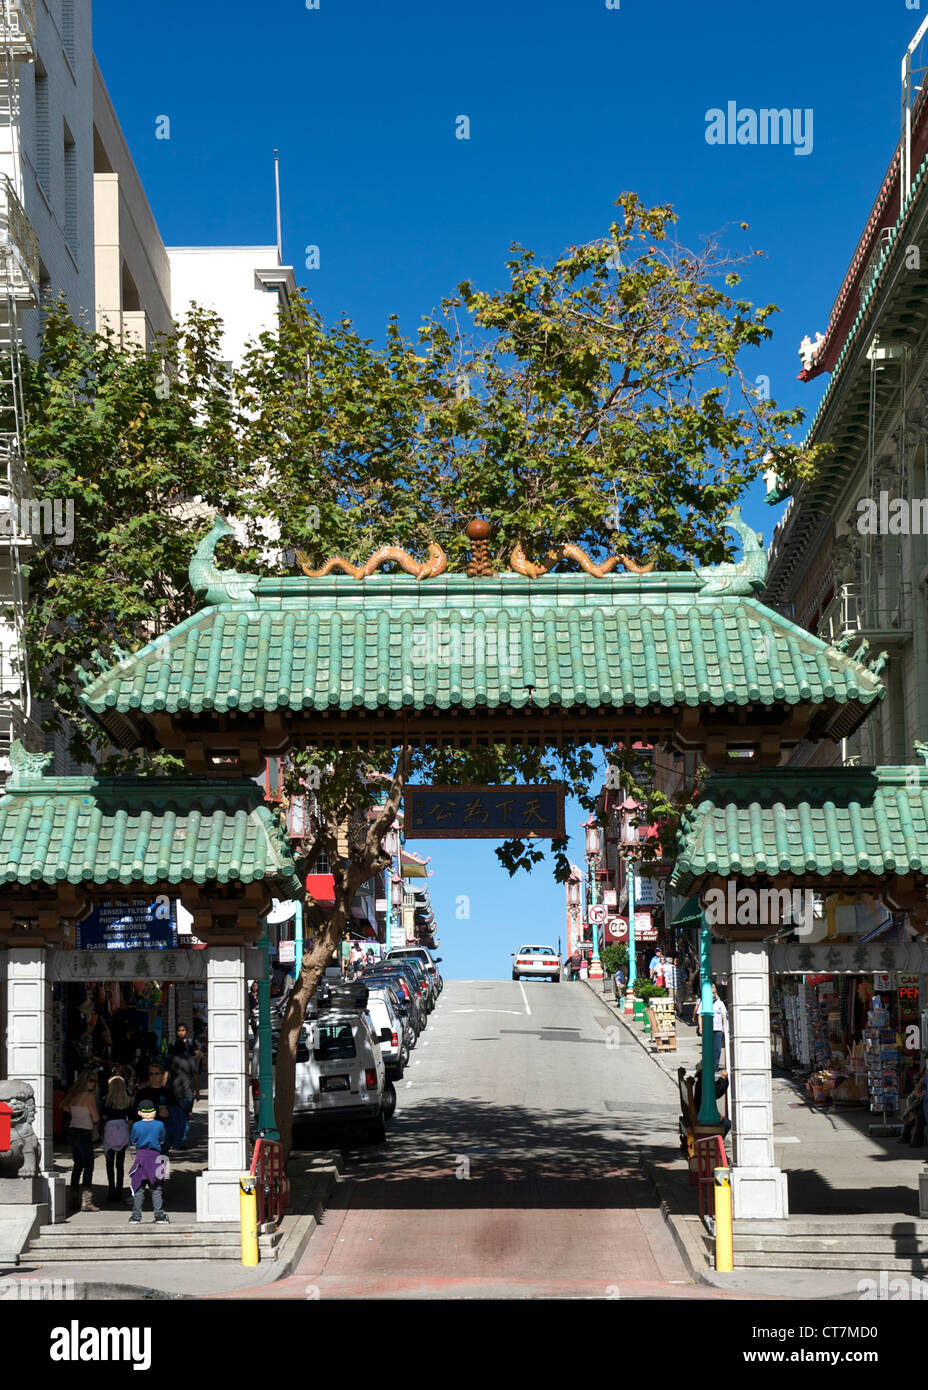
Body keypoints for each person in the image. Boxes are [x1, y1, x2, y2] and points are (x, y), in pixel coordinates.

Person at [61, 1071, 100, 1213]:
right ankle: (86, 1201)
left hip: (73, 1131)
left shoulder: (73, 1095)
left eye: (95, 1081)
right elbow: (95, 1118)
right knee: (89, 1165)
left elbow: (65, 1107)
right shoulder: (89, 1096)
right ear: (84, 1081)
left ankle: (73, 1199)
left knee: (78, 1165)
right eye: (91, 1080)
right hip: (84, 1132)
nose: (93, 1083)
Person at [128, 1100, 169, 1224]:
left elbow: (133, 1140)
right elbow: (162, 1139)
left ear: (139, 1112)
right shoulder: (160, 1125)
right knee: (157, 1188)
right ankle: (159, 1216)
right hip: (156, 1158)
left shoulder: (136, 1126)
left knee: (139, 1188)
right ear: (154, 1112)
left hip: (141, 1158)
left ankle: (136, 1217)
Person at [133, 1063, 184, 1150]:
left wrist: (169, 1112)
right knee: (146, 1162)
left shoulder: (169, 1093)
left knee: (162, 1162)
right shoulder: (142, 1093)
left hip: (163, 1136)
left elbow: (178, 1113)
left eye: (156, 1073)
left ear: (162, 1075)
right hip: (145, 1135)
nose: (154, 1076)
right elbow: (134, 1112)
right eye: (151, 1074)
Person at [101, 1073, 131, 1204]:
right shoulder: (127, 1101)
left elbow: (103, 1117)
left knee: (109, 1163)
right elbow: (131, 1119)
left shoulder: (106, 1101)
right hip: (122, 1130)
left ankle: (111, 1190)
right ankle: (119, 1191)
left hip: (110, 1131)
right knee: (120, 1163)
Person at [167, 1040, 200, 1147]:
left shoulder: (170, 1060)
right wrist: (197, 1091)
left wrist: (162, 1089)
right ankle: (181, 1140)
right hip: (187, 1093)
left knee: (172, 1117)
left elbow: (165, 1076)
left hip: (173, 1093)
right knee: (184, 1118)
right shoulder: (190, 1060)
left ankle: (174, 1140)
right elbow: (195, 1077)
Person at [712, 984, 728, 1071]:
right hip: (709, 1028)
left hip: (718, 1028)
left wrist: (723, 1025)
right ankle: (709, 1064)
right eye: (710, 993)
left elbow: (724, 1014)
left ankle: (715, 1065)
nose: (712, 995)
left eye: (713, 993)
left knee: (717, 1048)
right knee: (709, 1048)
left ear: (716, 993)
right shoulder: (705, 1002)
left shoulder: (720, 1003)